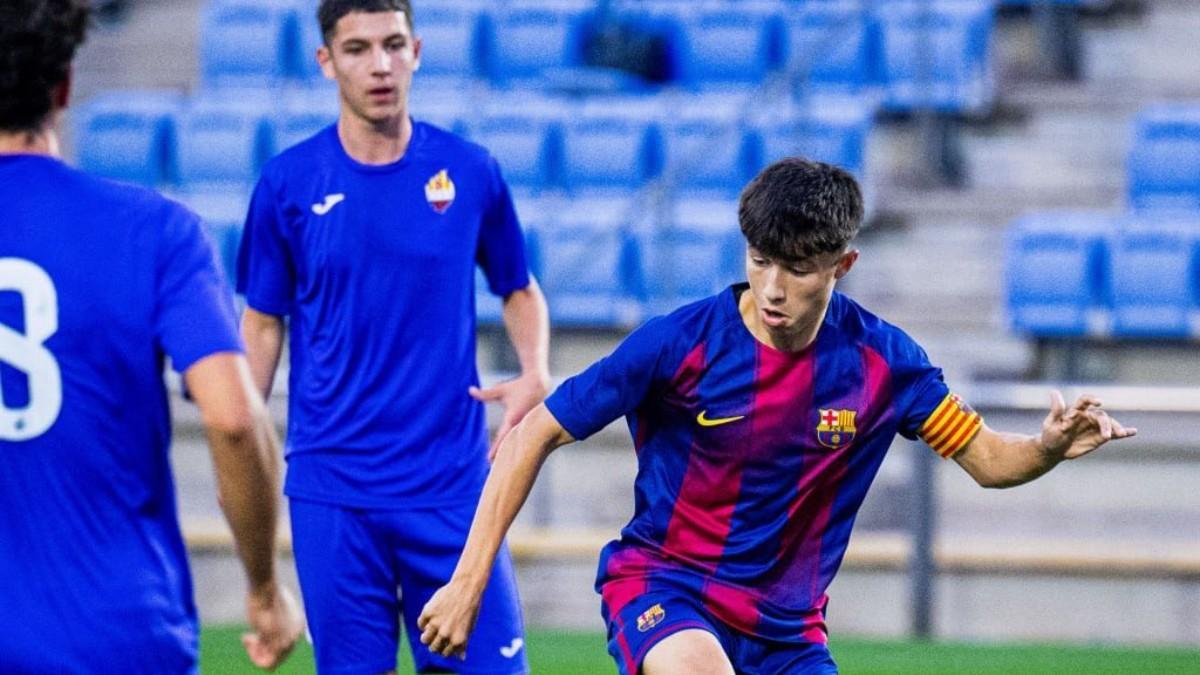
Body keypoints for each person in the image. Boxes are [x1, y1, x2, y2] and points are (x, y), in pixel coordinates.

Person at [416, 158, 1138, 674]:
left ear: (841, 265)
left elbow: (985, 456)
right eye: (761, 260)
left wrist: (1045, 447)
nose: (772, 287)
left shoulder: (885, 364)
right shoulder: (681, 343)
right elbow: (534, 431)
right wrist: (468, 580)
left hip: (789, 634)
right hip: (666, 587)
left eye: (797, 267)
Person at [236, 0, 549, 672]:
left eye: (393, 43)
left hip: (454, 486)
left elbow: (519, 289)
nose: (379, 64)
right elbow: (262, 321)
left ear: (418, 50)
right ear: (326, 61)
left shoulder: (471, 170)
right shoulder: (288, 184)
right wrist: (241, 415)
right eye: (356, 49)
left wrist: (534, 368)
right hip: (334, 490)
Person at [0, 1, 302, 672]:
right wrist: (262, 585)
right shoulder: (154, 230)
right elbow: (230, 416)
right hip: (117, 633)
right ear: (65, 87)